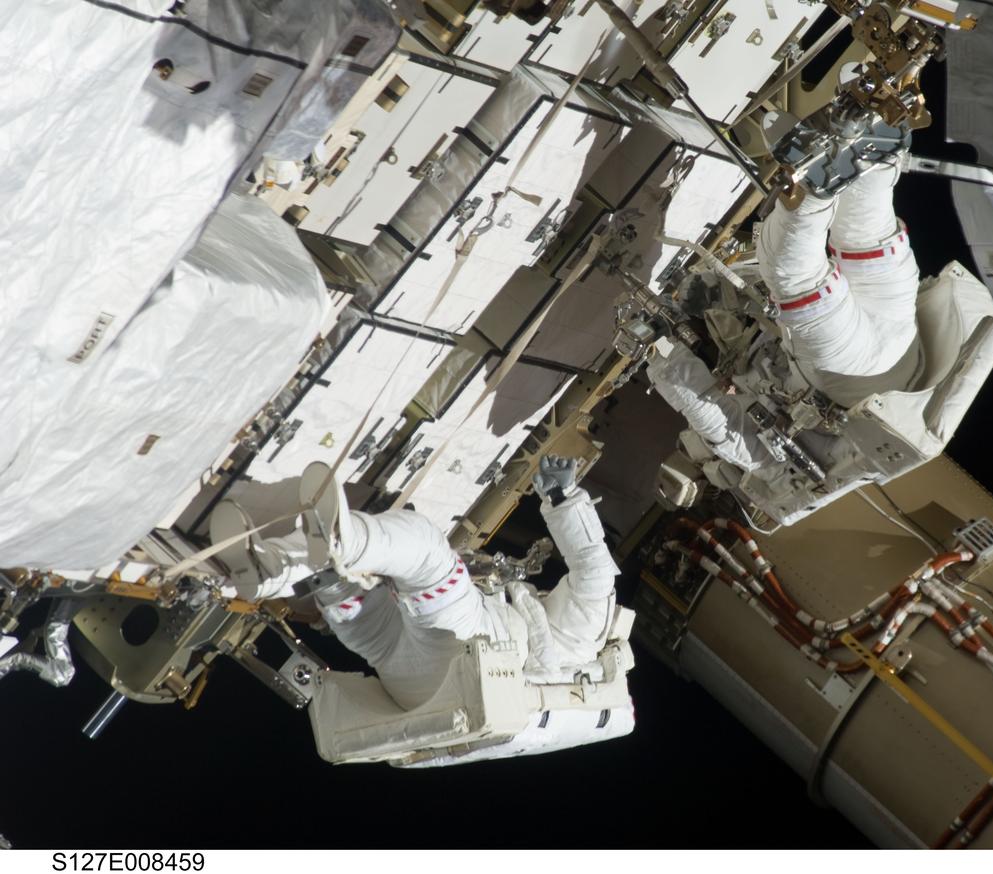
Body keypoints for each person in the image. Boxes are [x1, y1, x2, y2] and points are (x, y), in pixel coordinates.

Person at [210, 455, 624, 710]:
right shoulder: (555, 670)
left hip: (470, 655)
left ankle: (344, 539)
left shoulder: (582, 642)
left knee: (426, 550)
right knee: (338, 583)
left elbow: (595, 573)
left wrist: (563, 497)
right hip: (409, 684)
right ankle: (271, 570)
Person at [647, 157, 923, 470]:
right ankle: (815, 181)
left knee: (870, 238)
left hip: (905, 340)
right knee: (795, 276)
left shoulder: (834, 466)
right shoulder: (772, 466)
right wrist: (659, 356)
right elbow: (712, 420)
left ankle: (876, 144)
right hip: (849, 373)